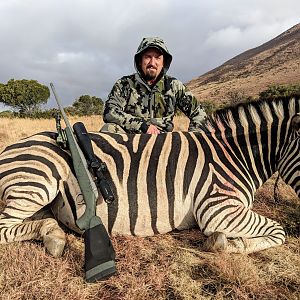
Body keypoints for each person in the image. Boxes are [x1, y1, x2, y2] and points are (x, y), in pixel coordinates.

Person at [100, 37, 207, 134]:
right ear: (140, 61)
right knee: (109, 128)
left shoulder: (174, 86)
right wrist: (142, 126)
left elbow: (199, 114)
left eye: (157, 58)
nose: (152, 62)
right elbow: (110, 112)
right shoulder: (124, 84)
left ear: (163, 63)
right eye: (147, 57)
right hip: (130, 139)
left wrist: (191, 140)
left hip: (163, 141)